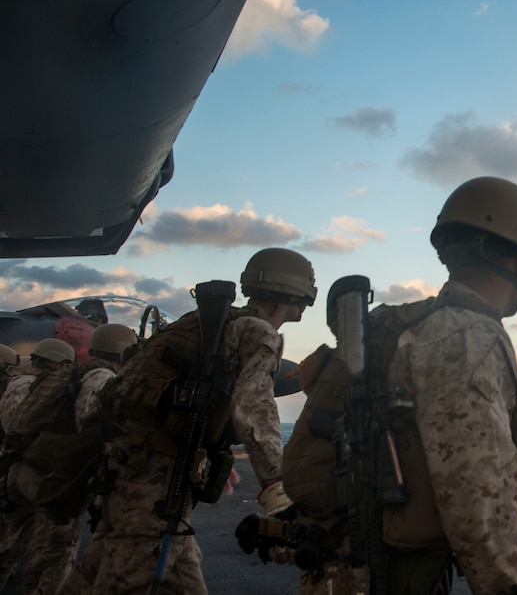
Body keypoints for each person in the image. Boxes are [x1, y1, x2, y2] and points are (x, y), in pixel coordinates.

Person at [287, 176, 517, 595]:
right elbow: (478, 501)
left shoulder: (385, 325)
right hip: (388, 574)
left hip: (332, 569)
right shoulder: (470, 335)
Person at [57, 248, 317, 594]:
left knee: (141, 570)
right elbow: (254, 405)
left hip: (131, 472)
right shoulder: (257, 332)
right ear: (296, 293)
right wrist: (277, 489)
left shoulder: (199, 325)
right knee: (123, 579)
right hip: (156, 488)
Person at [0, 338, 77, 593]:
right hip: (40, 474)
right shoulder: (43, 387)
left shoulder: (18, 384)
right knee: (57, 548)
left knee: (10, 540)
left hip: (14, 469)